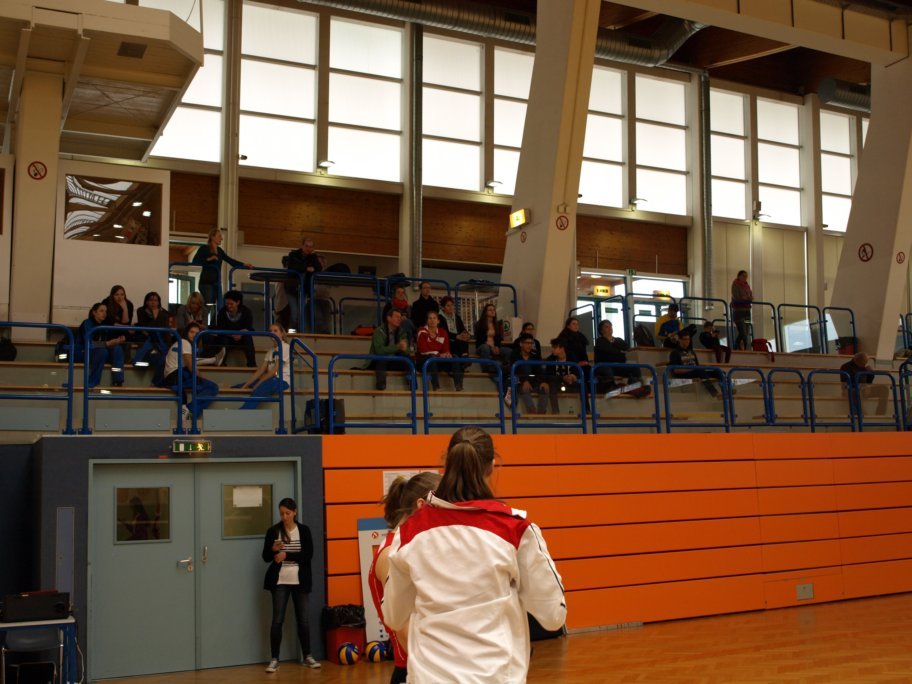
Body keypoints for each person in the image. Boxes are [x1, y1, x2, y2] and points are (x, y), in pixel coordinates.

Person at [383, 427, 566, 684]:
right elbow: (553, 615)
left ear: (447, 463)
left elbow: (393, 615)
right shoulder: (515, 529)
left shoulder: (409, 533)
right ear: (492, 466)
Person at [369, 472, 442, 684]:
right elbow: (402, 628)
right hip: (414, 671)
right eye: (441, 506)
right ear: (422, 505)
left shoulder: (414, 546)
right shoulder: (391, 553)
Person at [262, 498, 320, 673]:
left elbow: (308, 555)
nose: (285, 517)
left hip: (300, 581)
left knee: (303, 620)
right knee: (277, 620)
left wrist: (287, 555)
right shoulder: (273, 531)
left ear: (295, 512)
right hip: (280, 581)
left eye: (288, 513)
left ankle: (307, 656)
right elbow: (265, 557)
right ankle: (274, 659)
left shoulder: (304, 530)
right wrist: (273, 550)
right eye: (282, 514)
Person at [162, 321, 219, 421]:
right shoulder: (185, 342)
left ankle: (188, 411)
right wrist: (203, 379)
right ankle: (188, 410)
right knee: (212, 387)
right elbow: (191, 367)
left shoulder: (183, 343)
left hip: (173, 376)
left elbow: (192, 363)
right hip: (176, 376)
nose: (194, 335)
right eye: (191, 332)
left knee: (207, 386)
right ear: (186, 333)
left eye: (197, 333)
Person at [237, 323, 291, 409]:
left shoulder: (285, 347)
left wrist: (259, 383)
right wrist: (245, 386)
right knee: (240, 386)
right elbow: (261, 370)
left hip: (281, 380)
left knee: (260, 388)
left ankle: (240, 414)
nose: (272, 333)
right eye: (270, 331)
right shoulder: (270, 351)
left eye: (275, 331)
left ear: (282, 333)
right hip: (271, 380)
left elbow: (275, 370)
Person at [192, 228, 251, 307]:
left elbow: (230, 260)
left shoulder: (220, 251)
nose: (222, 238)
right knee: (209, 305)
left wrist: (244, 265)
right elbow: (195, 261)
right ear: (212, 237)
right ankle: (201, 315)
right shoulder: (204, 248)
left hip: (217, 283)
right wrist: (209, 259)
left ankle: (212, 315)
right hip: (206, 283)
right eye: (219, 236)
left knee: (219, 305)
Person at [77, 302, 126, 388]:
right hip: (84, 351)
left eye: (106, 311)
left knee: (117, 349)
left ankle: (118, 380)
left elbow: (110, 341)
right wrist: (107, 343)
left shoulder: (105, 325)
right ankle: (93, 382)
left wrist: (118, 340)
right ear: (94, 312)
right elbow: (88, 343)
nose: (104, 313)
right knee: (102, 352)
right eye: (101, 311)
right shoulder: (87, 323)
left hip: (101, 352)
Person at [594, 320, 647, 397]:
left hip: (618, 365)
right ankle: (610, 389)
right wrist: (618, 351)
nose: (610, 328)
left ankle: (635, 388)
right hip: (603, 365)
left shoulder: (618, 340)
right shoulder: (600, 341)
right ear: (601, 331)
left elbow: (626, 348)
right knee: (607, 371)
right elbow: (610, 351)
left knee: (635, 369)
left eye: (611, 326)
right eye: (607, 327)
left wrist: (616, 349)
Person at [416, 311, 463, 391]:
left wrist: (447, 354)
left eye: (434, 318)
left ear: (438, 321)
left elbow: (446, 350)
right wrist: (439, 354)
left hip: (438, 361)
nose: (432, 320)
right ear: (427, 321)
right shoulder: (422, 331)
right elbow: (423, 350)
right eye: (430, 318)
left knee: (455, 357)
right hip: (424, 362)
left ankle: (459, 386)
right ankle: (436, 387)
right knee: (432, 358)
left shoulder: (443, 332)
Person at [366, 308, 411, 391]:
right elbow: (379, 350)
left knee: (408, 360)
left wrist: (405, 349)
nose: (399, 319)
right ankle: (381, 387)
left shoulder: (402, 332)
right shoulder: (379, 331)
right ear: (389, 318)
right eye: (396, 317)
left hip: (394, 360)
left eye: (400, 317)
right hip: (378, 361)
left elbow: (407, 351)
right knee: (382, 359)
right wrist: (397, 347)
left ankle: (413, 387)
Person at [284, 236, 322, 331]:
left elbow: (319, 268)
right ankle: (292, 333)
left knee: (301, 314)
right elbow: (292, 266)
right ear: (302, 246)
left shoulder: (312, 257)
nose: (308, 249)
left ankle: (300, 333)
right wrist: (306, 268)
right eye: (306, 246)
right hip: (292, 288)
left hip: (304, 289)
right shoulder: (293, 254)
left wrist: (312, 258)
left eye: (311, 247)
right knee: (295, 313)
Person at [175, 292, 224, 365]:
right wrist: (189, 325)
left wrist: (196, 324)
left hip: (199, 332)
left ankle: (207, 358)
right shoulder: (182, 309)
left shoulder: (204, 310)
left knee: (209, 338)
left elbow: (205, 327)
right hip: (185, 332)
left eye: (197, 304)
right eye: (193, 303)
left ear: (200, 304)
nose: (195, 306)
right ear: (189, 302)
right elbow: (181, 326)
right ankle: (210, 360)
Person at [669, 330, 721, 399]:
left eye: (688, 339)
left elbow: (697, 365)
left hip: (695, 371)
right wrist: (693, 369)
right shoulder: (674, 352)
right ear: (679, 340)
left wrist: (700, 367)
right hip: (684, 375)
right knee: (699, 371)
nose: (687, 341)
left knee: (718, 371)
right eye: (685, 339)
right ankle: (714, 392)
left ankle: (726, 390)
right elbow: (676, 370)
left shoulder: (691, 351)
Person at [508, 332, 550, 414]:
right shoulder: (514, 354)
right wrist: (524, 381)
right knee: (524, 388)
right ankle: (531, 411)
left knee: (545, 388)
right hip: (519, 381)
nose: (530, 345)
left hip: (534, 381)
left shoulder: (536, 354)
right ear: (521, 344)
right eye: (527, 343)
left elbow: (540, 370)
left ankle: (541, 413)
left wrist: (543, 381)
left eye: (531, 343)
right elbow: (513, 371)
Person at [216, 290, 257, 367]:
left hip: (242, 338)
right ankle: (221, 363)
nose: (229, 306)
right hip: (227, 338)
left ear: (238, 302)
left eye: (231, 304)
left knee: (248, 337)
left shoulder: (246, 312)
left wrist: (242, 333)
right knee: (223, 339)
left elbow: (249, 328)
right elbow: (220, 329)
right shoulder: (222, 312)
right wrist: (231, 335)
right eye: (227, 304)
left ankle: (251, 364)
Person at [133, 291, 171, 368]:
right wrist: (155, 317)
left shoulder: (164, 313)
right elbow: (144, 328)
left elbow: (163, 330)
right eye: (150, 300)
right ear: (146, 302)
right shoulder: (141, 311)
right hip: (146, 335)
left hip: (159, 338)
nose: (153, 303)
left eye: (155, 300)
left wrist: (156, 316)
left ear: (158, 303)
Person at [545, 337, 581, 414]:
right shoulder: (550, 360)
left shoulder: (572, 357)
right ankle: (555, 412)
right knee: (552, 386)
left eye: (555, 348)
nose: (552, 350)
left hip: (570, 382)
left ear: (562, 348)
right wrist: (562, 378)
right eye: (552, 347)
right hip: (557, 383)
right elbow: (550, 376)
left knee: (583, 385)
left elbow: (577, 372)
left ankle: (586, 410)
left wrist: (573, 376)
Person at [473, 303, 507, 380]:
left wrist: (497, 346)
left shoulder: (497, 324)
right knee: (485, 348)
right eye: (490, 310)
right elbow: (480, 340)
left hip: (494, 346)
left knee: (508, 351)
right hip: (482, 346)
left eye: (494, 310)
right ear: (485, 312)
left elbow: (498, 339)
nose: (492, 311)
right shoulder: (479, 324)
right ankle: (486, 369)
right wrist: (491, 347)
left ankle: (508, 368)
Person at [438, 295, 471, 362]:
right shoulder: (439, 318)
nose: (451, 307)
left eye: (452, 305)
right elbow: (443, 333)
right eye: (448, 306)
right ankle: (463, 359)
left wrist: (466, 334)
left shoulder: (457, 317)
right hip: (447, 340)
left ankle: (464, 357)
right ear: (443, 307)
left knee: (463, 338)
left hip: (458, 340)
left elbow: (462, 329)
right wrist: (456, 336)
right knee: (456, 341)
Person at [731, 270, 753, 350]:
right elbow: (736, 297)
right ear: (739, 276)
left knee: (746, 332)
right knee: (742, 332)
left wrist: (749, 298)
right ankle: (735, 347)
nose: (745, 278)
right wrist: (746, 299)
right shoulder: (735, 284)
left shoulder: (747, 285)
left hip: (747, 311)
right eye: (743, 276)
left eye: (746, 276)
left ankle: (743, 348)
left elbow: (750, 296)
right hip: (739, 311)